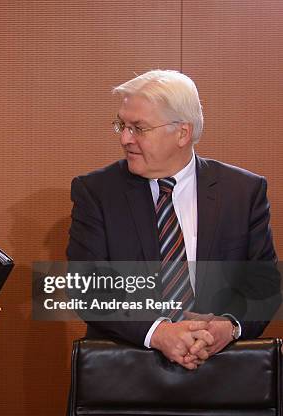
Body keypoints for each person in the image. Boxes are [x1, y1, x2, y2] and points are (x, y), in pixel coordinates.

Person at [67, 70, 280, 370]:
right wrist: (158, 333)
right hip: (124, 378)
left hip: (223, 375)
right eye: (122, 125)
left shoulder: (243, 192)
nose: (125, 139)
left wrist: (228, 326)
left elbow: (263, 283)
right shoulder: (97, 192)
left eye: (138, 128)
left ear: (182, 133)